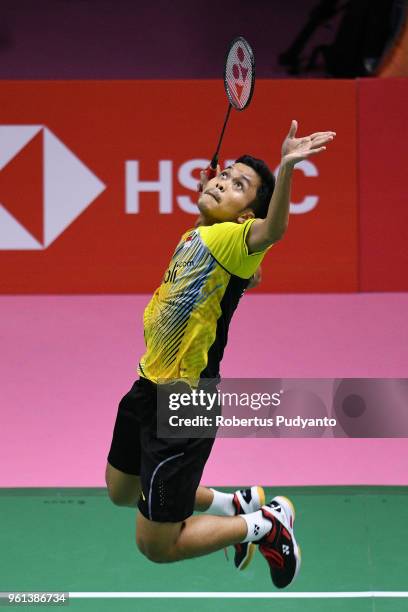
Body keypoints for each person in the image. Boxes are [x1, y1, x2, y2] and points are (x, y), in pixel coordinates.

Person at [106, 120, 336, 587]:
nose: (221, 182)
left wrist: (286, 168)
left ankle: (265, 525)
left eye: (238, 185)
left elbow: (273, 229)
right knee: (121, 489)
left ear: (245, 215)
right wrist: (212, 199)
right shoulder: (201, 233)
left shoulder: (238, 241)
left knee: (156, 545)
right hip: (147, 383)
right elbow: (215, 223)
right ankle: (233, 504)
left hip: (184, 401)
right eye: (222, 175)